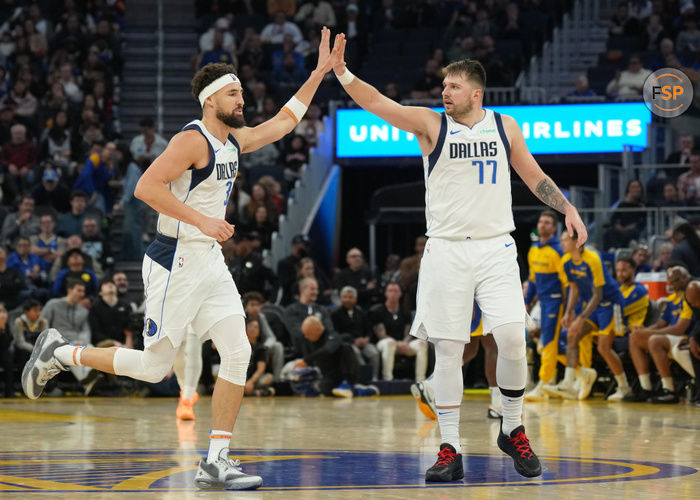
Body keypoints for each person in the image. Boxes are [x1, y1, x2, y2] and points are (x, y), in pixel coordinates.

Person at [22, 29, 344, 491]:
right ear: (211, 100)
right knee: (156, 368)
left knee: (238, 350)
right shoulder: (191, 141)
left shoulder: (234, 138)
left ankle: (216, 460)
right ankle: (59, 351)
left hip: (207, 259)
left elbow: (284, 122)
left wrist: (317, 74)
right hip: (175, 260)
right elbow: (145, 188)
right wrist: (202, 221)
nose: (243, 99)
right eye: (234, 93)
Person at [331, 45, 587, 481]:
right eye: (444, 85)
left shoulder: (506, 127)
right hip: (447, 249)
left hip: (495, 247)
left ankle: (512, 427)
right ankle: (450, 447)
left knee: (510, 337)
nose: (444, 91)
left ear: (476, 93)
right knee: (448, 351)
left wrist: (567, 208)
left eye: (454, 86)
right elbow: (379, 103)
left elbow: (532, 174)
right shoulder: (432, 125)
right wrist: (342, 72)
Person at [545, 230, 629, 401]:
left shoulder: (593, 259)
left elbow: (598, 295)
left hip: (610, 304)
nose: (561, 244)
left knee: (603, 348)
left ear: (577, 242)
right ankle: (570, 381)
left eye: (565, 240)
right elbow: (574, 288)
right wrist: (569, 312)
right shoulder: (566, 261)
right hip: (594, 307)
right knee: (572, 335)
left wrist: (580, 318)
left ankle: (624, 387)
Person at [625, 266, 695, 403]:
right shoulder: (671, 299)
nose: (674, 283)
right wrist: (643, 330)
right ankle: (646, 388)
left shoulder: (689, 296)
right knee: (634, 337)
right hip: (670, 338)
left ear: (687, 278)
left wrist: (649, 332)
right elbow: (660, 324)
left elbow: (679, 329)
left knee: (655, 340)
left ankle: (669, 390)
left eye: (677, 279)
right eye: (671, 280)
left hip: (686, 338)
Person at [524, 210, 567, 401]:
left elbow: (567, 283)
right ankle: (581, 372)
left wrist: (568, 310)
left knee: (548, 342)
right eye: (541, 221)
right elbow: (532, 280)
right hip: (542, 302)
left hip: (556, 301)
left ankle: (544, 384)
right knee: (546, 344)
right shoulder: (533, 249)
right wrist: (527, 303)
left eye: (548, 222)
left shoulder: (558, 251)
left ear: (554, 228)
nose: (543, 225)